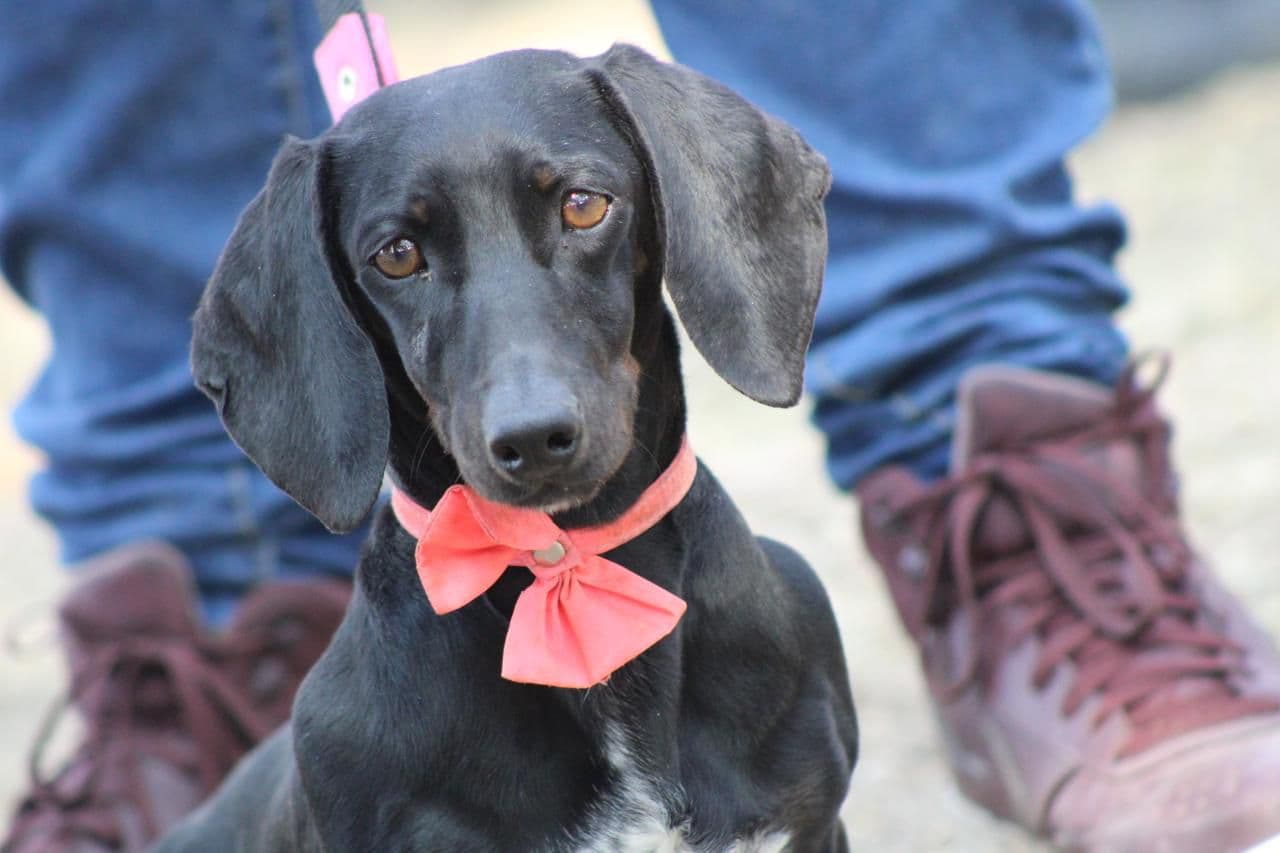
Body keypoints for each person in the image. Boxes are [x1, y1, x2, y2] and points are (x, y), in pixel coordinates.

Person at [1, 1, 1277, 850]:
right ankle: (209, 638)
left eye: (578, 211)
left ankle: (1013, 483)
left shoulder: (775, 650)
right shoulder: (372, 756)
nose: (527, 408)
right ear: (338, 286)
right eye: (400, 252)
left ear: (670, 217)